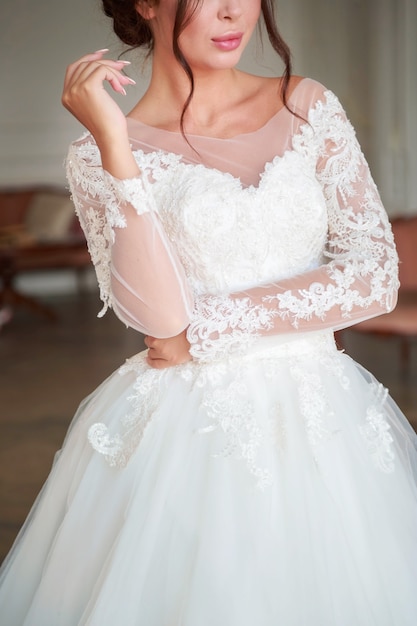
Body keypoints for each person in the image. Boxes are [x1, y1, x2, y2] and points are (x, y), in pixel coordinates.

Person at [0, 0, 416, 623]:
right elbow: (161, 322)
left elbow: (376, 275)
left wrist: (212, 330)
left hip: (325, 417)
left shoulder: (307, 105)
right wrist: (117, 144)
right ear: (147, 3)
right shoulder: (95, 157)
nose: (231, 13)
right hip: (186, 429)